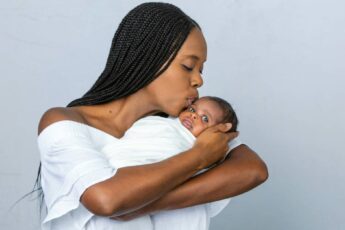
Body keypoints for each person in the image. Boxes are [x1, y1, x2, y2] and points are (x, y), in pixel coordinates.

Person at [37, 2, 268, 230]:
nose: (199, 81)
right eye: (188, 66)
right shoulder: (64, 122)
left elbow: (252, 169)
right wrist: (198, 157)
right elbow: (106, 199)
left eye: (201, 70)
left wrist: (141, 205)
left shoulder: (183, 125)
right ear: (148, 58)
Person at [101, 96, 239, 229]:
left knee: (193, 209)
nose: (194, 116)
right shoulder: (163, 123)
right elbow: (136, 138)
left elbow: (216, 182)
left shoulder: (207, 148)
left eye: (205, 118)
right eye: (192, 109)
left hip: (165, 192)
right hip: (125, 173)